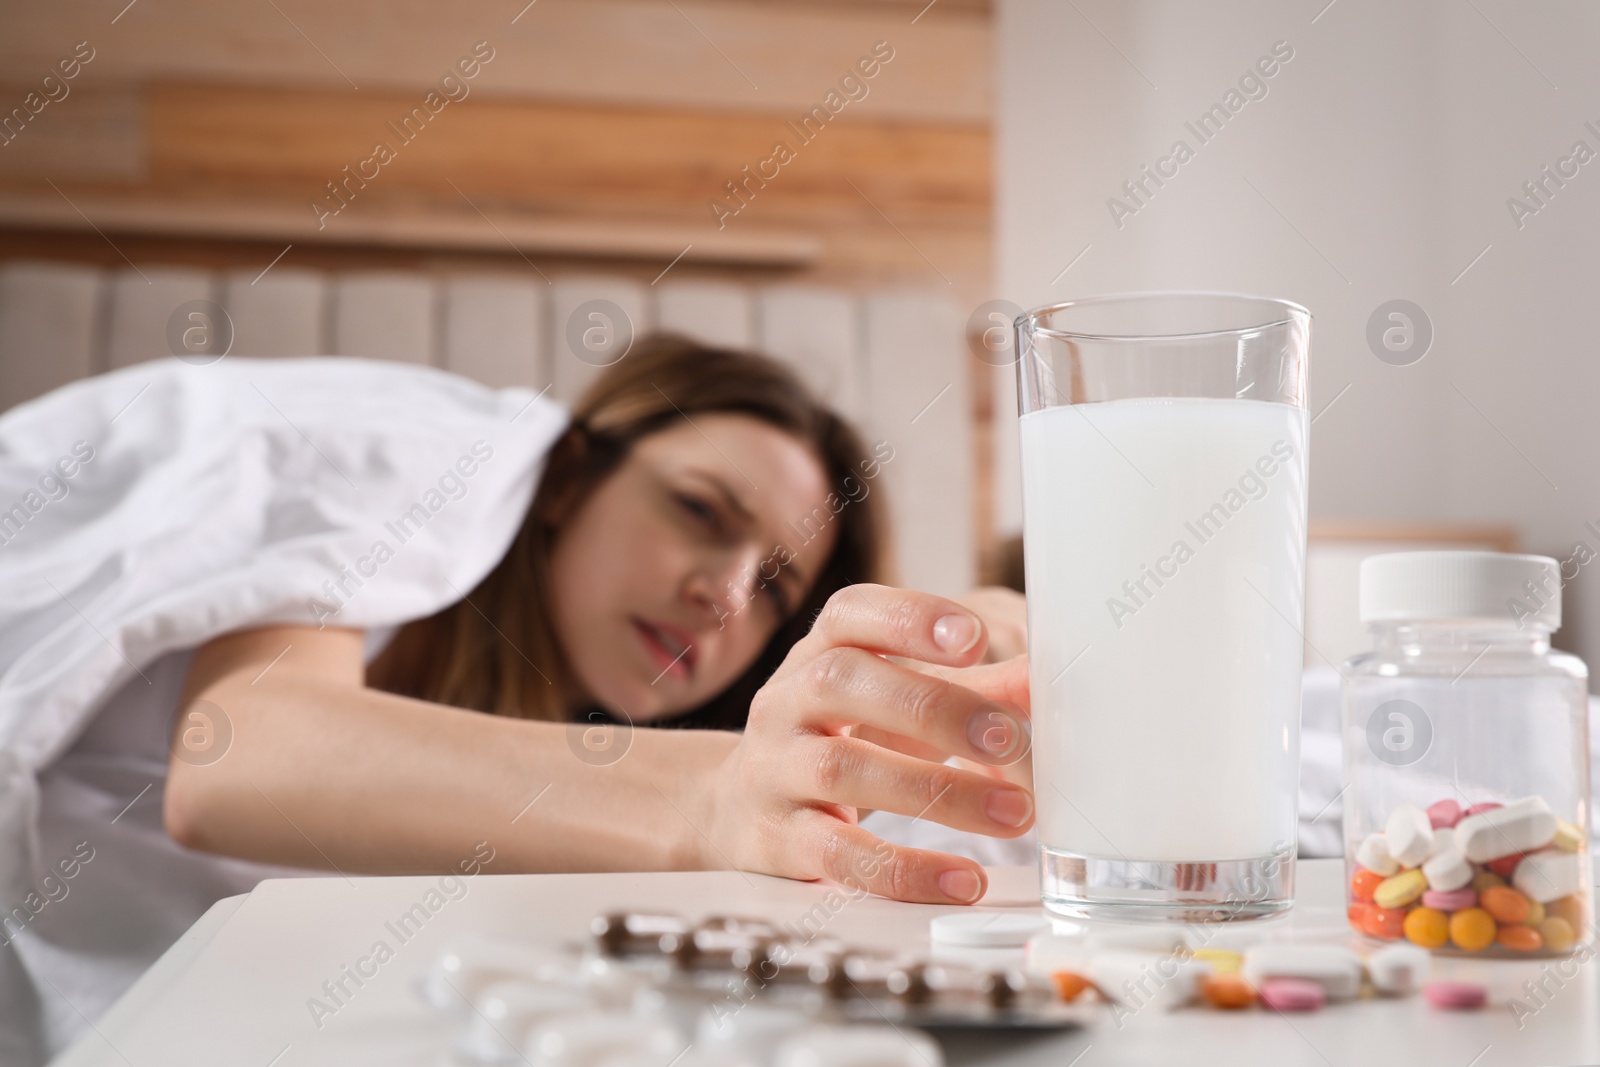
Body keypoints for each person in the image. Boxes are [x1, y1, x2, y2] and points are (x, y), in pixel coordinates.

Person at [166, 336, 1034, 903]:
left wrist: (979, 625)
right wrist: (708, 799)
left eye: (775, 588)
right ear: (569, 479)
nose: (727, 595)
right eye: (699, 509)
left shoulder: (578, 771)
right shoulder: (430, 454)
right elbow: (231, 755)